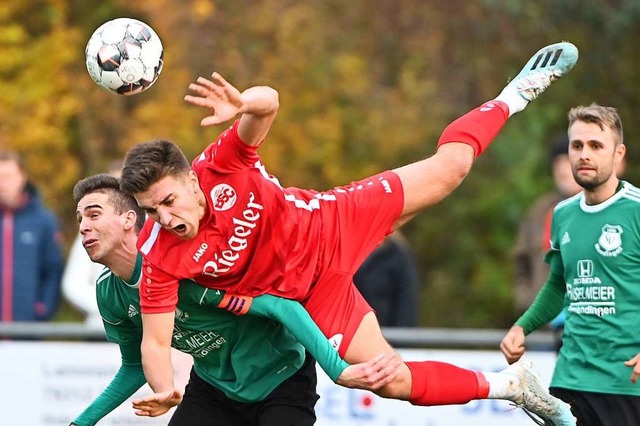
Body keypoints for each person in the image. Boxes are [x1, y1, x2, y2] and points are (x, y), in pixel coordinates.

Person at [121, 42, 580, 424]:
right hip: (314, 297)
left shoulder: (221, 164)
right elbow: (156, 342)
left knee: (452, 169)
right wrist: (164, 390)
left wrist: (243, 103)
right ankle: (513, 388)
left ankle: (513, 95)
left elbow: (270, 102)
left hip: (331, 224)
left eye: (167, 202)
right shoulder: (162, 256)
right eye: (149, 211)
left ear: (189, 178)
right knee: (392, 380)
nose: (163, 218)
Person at [71, 174, 399, 426]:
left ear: (129, 219)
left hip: (280, 378)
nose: (84, 227)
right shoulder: (109, 293)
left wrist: (338, 370)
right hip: (214, 387)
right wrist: (82, 422)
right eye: (80, 219)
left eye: (94, 215)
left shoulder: (181, 266)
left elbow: (281, 305)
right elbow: (133, 366)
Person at [501, 104, 640, 425]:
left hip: (624, 381)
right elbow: (558, 284)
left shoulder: (635, 210)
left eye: (595, 145)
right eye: (576, 146)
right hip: (570, 377)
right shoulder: (563, 214)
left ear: (618, 154)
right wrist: (523, 326)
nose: (583, 154)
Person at [512, 136, 582, 349]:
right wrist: (527, 301)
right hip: (543, 326)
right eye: (558, 163)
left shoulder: (604, 208)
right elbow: (520, 262)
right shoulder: (539, 212)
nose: (563, 170)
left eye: (568, 162)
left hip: (589, 325)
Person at [0, 150, 64, 322]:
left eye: (7, 176)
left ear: (22, 176)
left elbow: (53, 269)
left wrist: (43, 308)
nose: (2, 183)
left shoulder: (43, 220)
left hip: (29, 329)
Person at [62, 160, 124, 328]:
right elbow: (73, 284)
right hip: (100, 329)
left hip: (148, 326)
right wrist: (113, 307)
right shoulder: (88, 230)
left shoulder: (155, 226)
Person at [353, 231, 419, 327]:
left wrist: (402, 337)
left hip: (386, 332)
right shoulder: (352, 252)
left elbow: (406, 302)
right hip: (354, 332)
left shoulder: (397, 256)